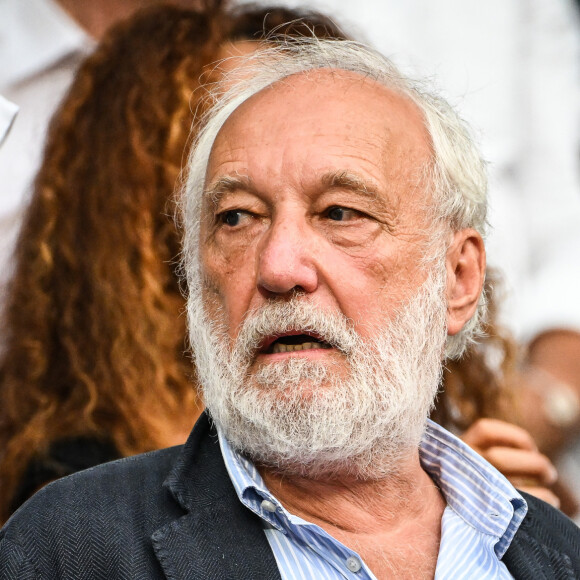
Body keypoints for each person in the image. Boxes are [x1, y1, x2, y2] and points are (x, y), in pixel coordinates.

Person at [1, 38, 577, 578]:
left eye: (340, 213)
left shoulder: (558, 555)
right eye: (237, 218)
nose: (278, 267)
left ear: (458, 278)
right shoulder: (70, 547)